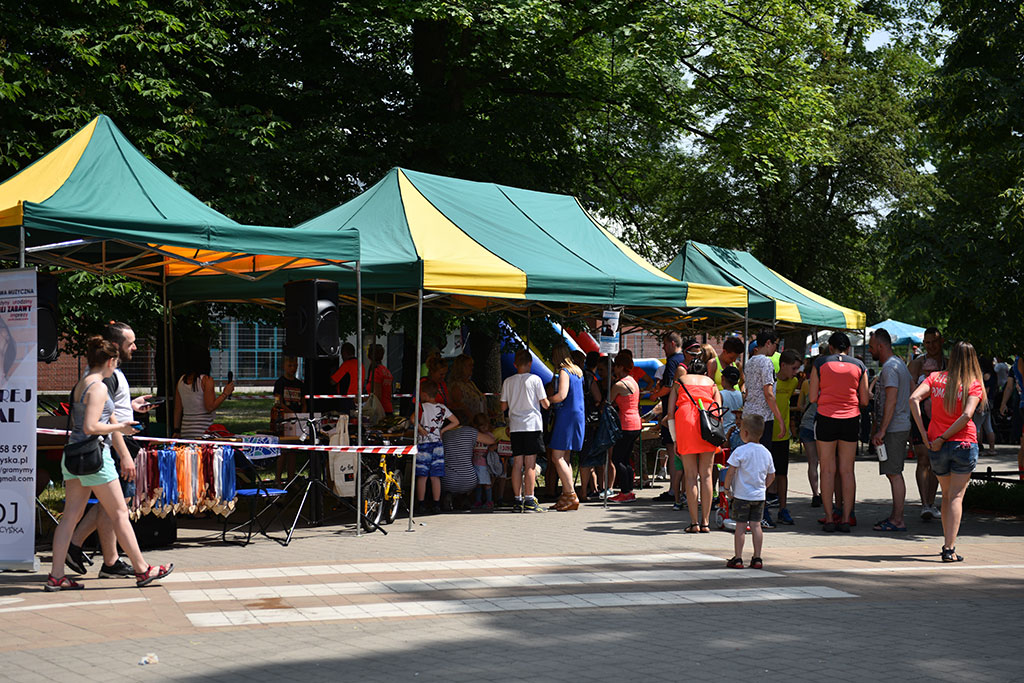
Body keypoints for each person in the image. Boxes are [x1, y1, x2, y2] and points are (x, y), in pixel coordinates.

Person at [47, 336, 172, 591]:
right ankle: (142, 569)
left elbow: (99, 417)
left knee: (70, 516)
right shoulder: (99, 387)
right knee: (119, 513)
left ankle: (56, 576)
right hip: (96, 457)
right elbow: (91, 426)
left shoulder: (83, 383)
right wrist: (121, 427)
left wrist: (125, 418)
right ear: (111, 361)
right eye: (115, 362)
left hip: (74, 456)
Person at [65, 322, 155, 578]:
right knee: (116, 507)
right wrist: (125, 455)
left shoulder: (107, 374)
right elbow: (108, 420)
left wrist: (132, 406)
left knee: (111, 506)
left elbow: (110, 410)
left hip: (110, 444)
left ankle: (109, 560)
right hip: (114, 445)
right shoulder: (108, 376)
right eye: (131, 343)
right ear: (115, 347)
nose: (135, 347)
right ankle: (80, 545)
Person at [909, 341, 986, 562]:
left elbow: (913, 398)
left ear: (951, 357)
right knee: (956, 497)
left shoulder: (935, 378)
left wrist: (925, 434)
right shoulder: (973, 383)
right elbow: (967, 415)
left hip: (936, 445)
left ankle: (947, 543)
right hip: (962, 444)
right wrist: (945, 437)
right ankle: (949, 548)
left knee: (946, 496)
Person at [809, 332, 869, 533]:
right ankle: (846, 518)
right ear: (849, 348)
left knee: (827, 470)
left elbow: (811, 398)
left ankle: (829, 518)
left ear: (831, 347)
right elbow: (865, 400)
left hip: (826, 417)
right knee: (847, 470)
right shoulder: (860, 366)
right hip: (851, 418)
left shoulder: (820, 363)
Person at [668, 357, 722, 533]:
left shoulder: (679, 382)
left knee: (690, 476)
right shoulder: (712, 384)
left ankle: (694, 523)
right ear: (704, 372)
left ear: (689, 370)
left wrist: (675, 440)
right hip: (707, 429)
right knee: (706, 476)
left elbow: (670, 415)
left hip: (686, 426)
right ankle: (706, 522)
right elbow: (718, 412)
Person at [869, 329, 913, 532]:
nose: (870, 351)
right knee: (893, 473)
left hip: (894, 428)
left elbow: (891, 400)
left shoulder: (890, 368)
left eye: (871, 347)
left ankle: (898, 520)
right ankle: (896, 517)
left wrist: (882, 430)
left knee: (894, 473)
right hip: (898, 425)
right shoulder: (899, 364)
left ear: (880, 346)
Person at [500, 349, 550, 512]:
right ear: (530, 363)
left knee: (517, 464)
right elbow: (545, 404)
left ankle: (517, 500)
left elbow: (503, 406)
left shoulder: (508, 381)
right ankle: (529, 499)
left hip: (515, 426)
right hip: (532, 426)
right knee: (530, 464)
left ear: (514, 364)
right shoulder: (535, 379)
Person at [724, 413, 775, 569]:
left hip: (741, 496)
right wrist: (763, 487)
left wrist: (727, 488)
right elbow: (771, 475)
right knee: (756, 526)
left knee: (740, 526)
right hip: (759, 496)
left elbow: (731, 471)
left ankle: (738, 558)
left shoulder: (740, 451)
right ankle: (757, 557)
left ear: (744, 433)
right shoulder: (766, 452)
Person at [907, 328, 945, 518]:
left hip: (943, 418)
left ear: (941, 341)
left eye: (934, 342)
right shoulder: (915, 364)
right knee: (923, 459)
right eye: (927, 343)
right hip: (921, 417)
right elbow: (909, 394)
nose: (931, 346)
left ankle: (931, 502)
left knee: (936, 461)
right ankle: (924, 505)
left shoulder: (949, 364)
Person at [547, 342, 586, 512]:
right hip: (578, 415)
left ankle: (570, 494)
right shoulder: (578, 371)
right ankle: (565, 495)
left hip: (566, 416)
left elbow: (562, 395)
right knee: (566, 457)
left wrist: (548, 399)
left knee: (556, 456)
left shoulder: (564, 371)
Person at [652, 332, 688, 506]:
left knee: (673, 452)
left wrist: (655, 396)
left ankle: (674, 490)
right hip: (683, 413)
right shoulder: (684, 359)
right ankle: (682, 491)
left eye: (665, 345)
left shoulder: (673, 362)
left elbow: (668, 387)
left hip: (672, 414)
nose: (664, 349)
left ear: (673, 344)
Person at [415, 378, 459, 514]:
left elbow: (412, 419)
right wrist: (443, 430)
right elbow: (456, 421)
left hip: (423, 444)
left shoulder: (421, 407)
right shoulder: (442, 408)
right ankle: (436, 504)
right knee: (436, 476)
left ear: (424, 394)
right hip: (438, 444)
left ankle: (421, 504)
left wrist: (420, 428)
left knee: (422, 476)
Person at [770, 349, 802, 526]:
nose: (796, 372)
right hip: (767, 432)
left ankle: (783, 508)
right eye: (793, 368)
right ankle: (764, 509)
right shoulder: (770, 381)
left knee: (782, 473)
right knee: (766, 474)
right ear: (783, 365)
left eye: (797, 368)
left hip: (782, 437)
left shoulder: (794, 382)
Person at [173, 346, 234, 439]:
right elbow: (209, 407)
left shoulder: (181, 380)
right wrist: (225, 393)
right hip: (203, 431)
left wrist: (176, 430)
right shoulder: (206, 380)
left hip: (185, 430)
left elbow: (178, 408)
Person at [608, 355, 642, 503]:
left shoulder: (619, 385)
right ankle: (629, 491)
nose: (614, 368)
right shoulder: (633, 382)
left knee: (617, 458)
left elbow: (608, 401)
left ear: (621, 367)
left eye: (615, 366)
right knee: (626, 458)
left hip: (625, 423)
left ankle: (625, 492)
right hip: (636, 423)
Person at [272, 354, 306, 484]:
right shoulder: (280, 383)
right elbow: (278, 402)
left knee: (293, 452)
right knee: (282, 452)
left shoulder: (300, 384)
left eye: (295, 366)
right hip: (284, 420)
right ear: (284, 366)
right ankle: (278, 480)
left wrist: (302, 416)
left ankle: (291, 480)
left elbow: (304, 403)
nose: (293, 368)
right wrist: (290, 412)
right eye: (290, 366)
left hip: (296, 421)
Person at [796, 360, 821, 507]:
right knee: (826, 463)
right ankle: (827, 492)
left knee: (812, 462)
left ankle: (815, 494)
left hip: (807, 424)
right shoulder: (829, 383)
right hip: (823, 424)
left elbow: (800, 406)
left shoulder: (806, 383)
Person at [440, 411, 479, 507]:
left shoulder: (444, 433)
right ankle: (465, 497)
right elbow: (491, 440)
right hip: (470, 479)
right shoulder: (471, 431)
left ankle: (448, 495)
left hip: (447, 480)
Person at [999, 355, 1024, 479]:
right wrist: (1003, 403)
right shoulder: (1019, 360)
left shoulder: (1016, 362)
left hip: (1021, 404)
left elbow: (1009, 386)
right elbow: (1009, 386)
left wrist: (1003, 403)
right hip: (1022, 405)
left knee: (1023, 444)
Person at [470, 413, 498, 511]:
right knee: (477, 483)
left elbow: (494, 446)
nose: (485, 428)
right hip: (475, 461)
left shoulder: (489, 436)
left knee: (486, 483)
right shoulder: (475, 436)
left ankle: (489, 501)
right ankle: (478, 500)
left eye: (486, 425)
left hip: (485, 463)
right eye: (482, 426)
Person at [330, 342, 364, 413]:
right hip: (358, 398)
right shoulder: (360, 365)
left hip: (347, 399)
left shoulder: (346, 365)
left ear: (345, 353)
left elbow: (333, 381)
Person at [365, 343, 394, 415]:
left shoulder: (376, 371)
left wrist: (361, 400)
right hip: (388, 408)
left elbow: (377, 396)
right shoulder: (386, 371)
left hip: (379, 411)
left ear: (369, 356)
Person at [720, 366, 744, 451]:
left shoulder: (720, 395)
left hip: (724, 433)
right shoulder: (740, 394)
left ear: (723, 378)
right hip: (738, 431)